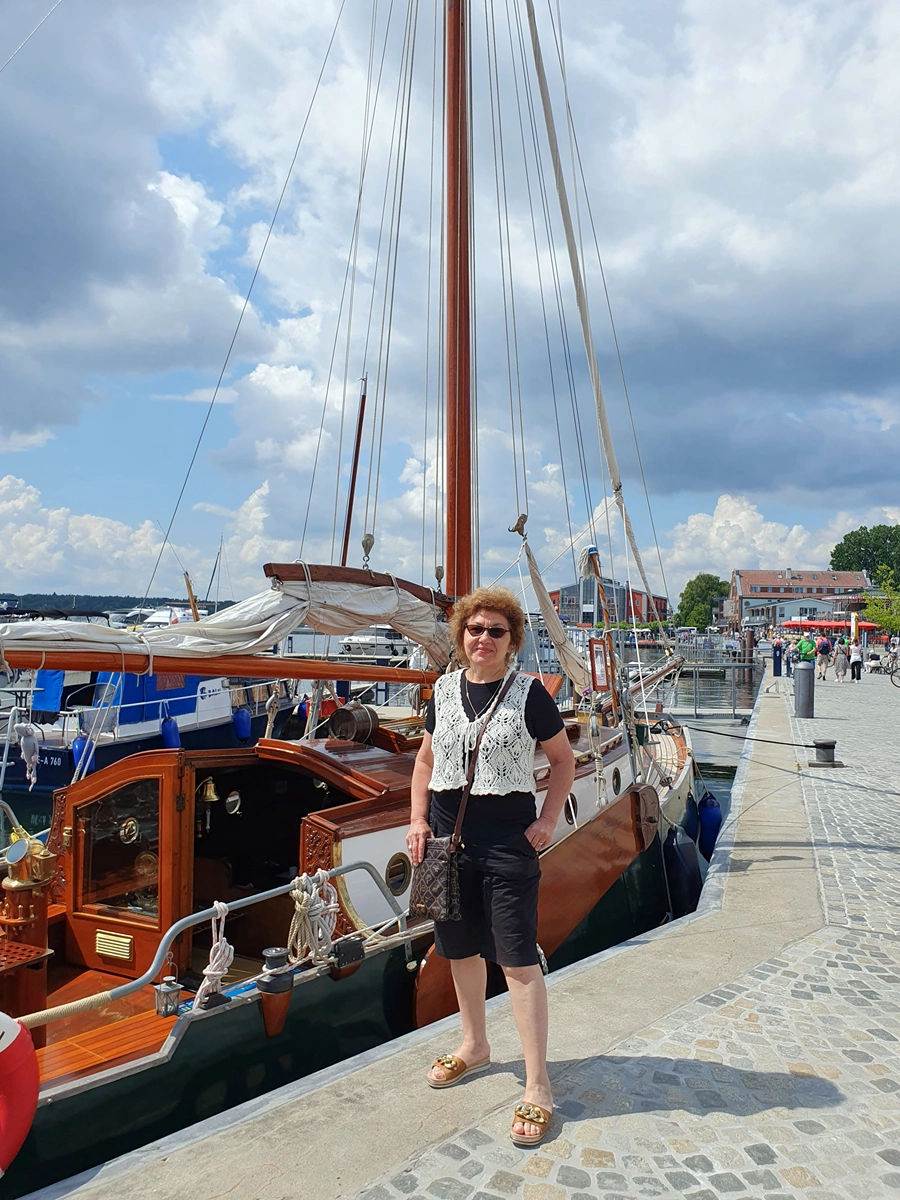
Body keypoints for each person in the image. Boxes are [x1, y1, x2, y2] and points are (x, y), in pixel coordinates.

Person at [407, 586, 576, 1147]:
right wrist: (417, 820)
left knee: (518, 959)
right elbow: (425, 761)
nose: (483, 638)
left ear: (512, 640)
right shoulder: (443, 690)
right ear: (461, 636)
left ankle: (537, 1084)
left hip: (506, 844)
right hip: (447, 843)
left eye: (495, 631)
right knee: (458, 950)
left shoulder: (530, 694)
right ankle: (474, 1044)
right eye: (474, 629)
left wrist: (548, 819)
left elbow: (562, 760)